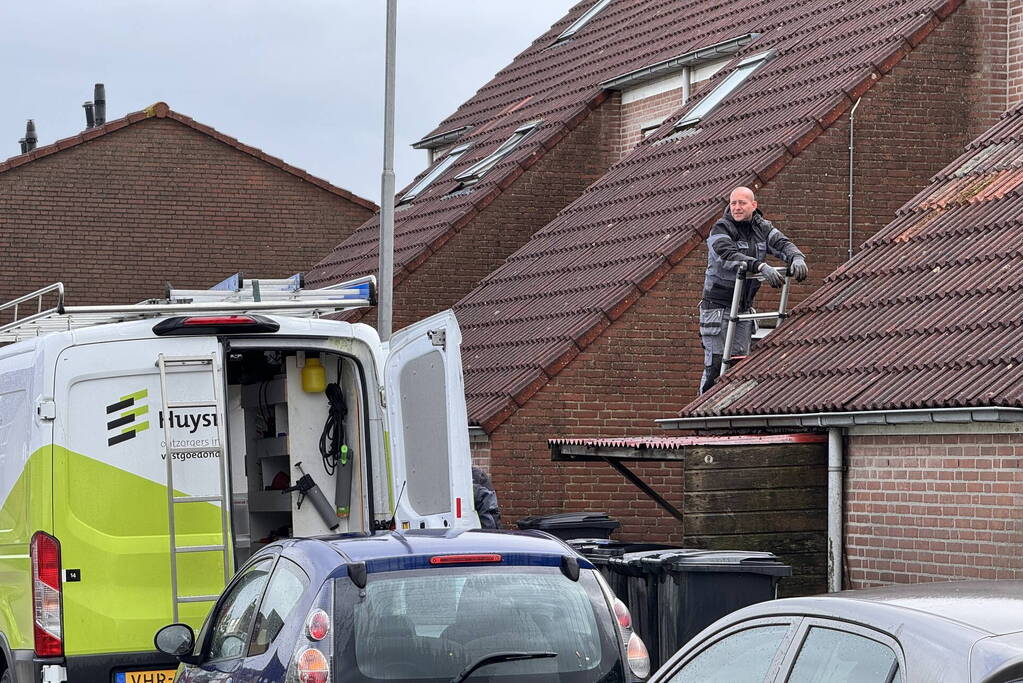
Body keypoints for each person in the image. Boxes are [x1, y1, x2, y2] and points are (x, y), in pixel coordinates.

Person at [699, 186, 808, 394]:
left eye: (742, 203)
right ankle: (705, 416)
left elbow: (781, 243)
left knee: (739, 366)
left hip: (743, 310)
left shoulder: (762, 228)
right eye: (733, 203)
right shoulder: (721, 229)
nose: (737, 208)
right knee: (716, 365)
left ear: (753, 205)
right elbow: (726, 254)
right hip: (718, 309)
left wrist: (797, 257)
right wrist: (759, 266)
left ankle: (731, 411)